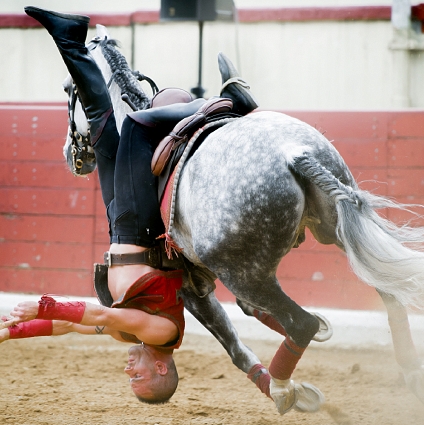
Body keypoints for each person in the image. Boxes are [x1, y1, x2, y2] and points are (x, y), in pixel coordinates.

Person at [1, 6, 259, 404]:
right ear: (160, 368)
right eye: (136, 377)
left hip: (118, 224)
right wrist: (41, 304)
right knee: (136, 125)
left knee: (102, 128)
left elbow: (70, 328)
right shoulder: (163, 335)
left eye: (129, 378)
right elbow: (99, 315)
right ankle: (224, 104)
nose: (127, 371)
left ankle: (70, 38)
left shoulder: (131, 333)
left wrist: (12, 332)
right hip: (138, 226)